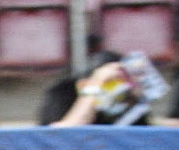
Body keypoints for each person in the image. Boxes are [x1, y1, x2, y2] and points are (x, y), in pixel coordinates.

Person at [39, 51, 167, 127]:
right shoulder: (61, 93)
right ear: (83, 84)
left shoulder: (129, 101)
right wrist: (95, 88)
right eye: (109, 84)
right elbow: (61, 136)